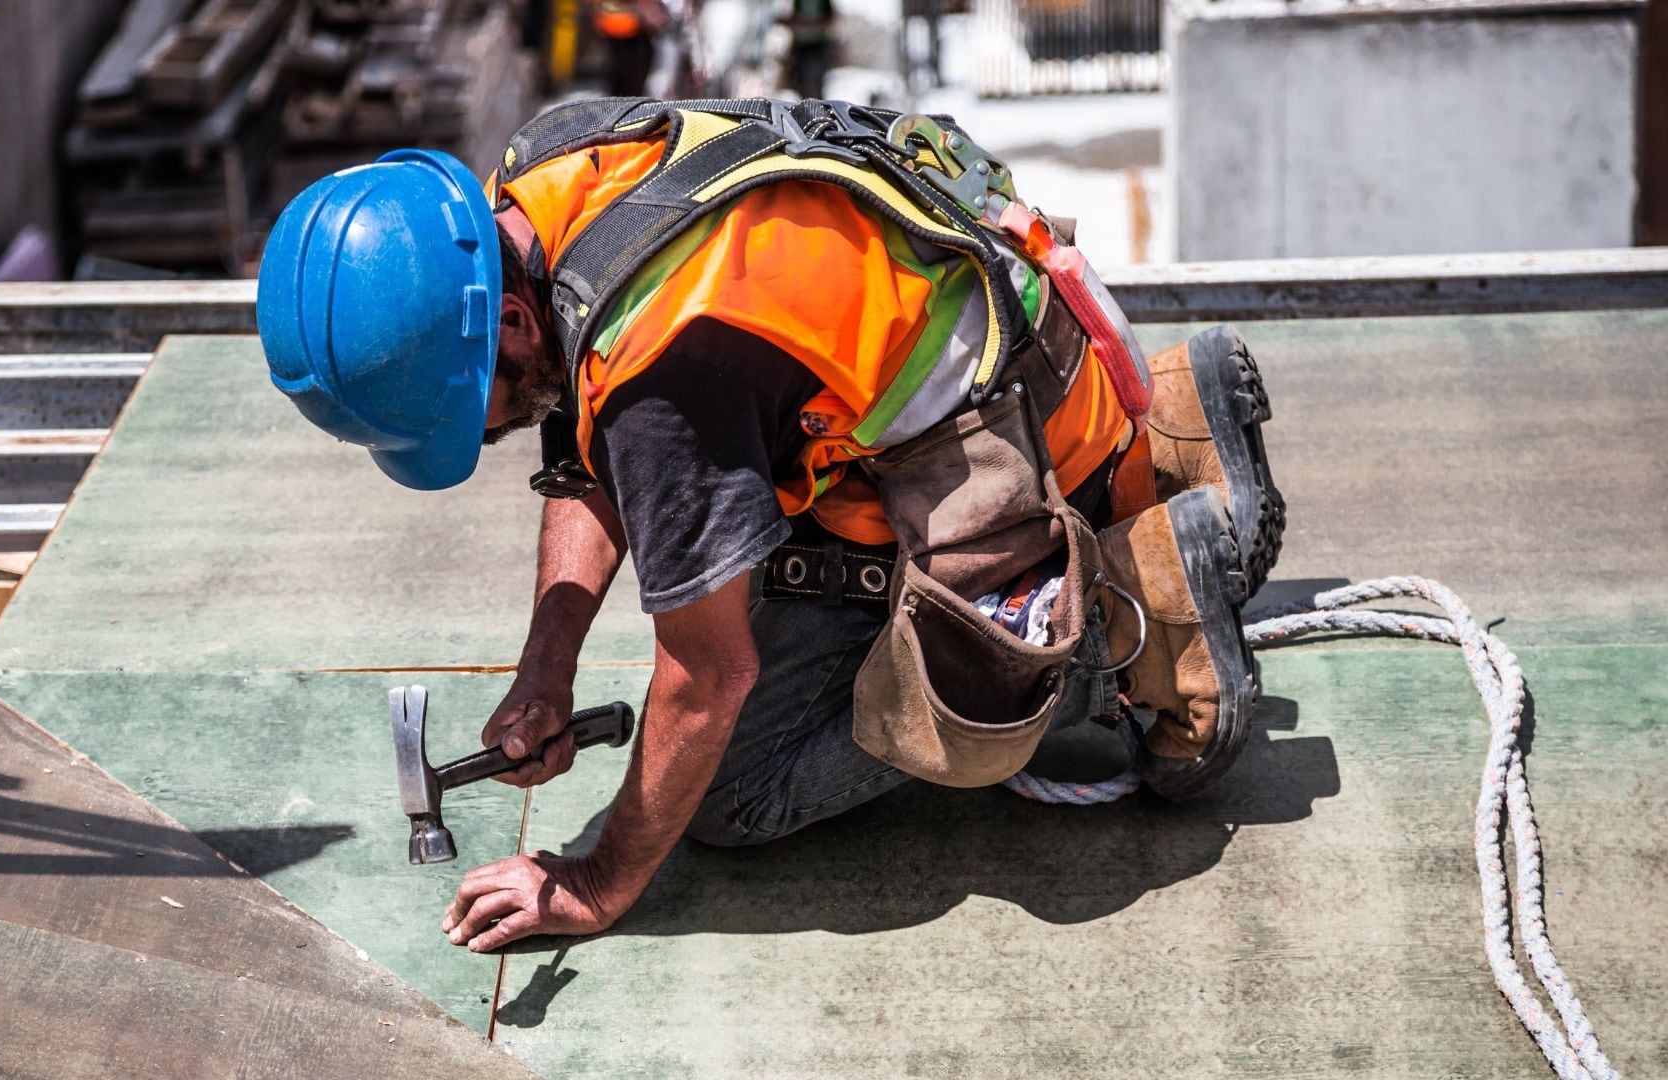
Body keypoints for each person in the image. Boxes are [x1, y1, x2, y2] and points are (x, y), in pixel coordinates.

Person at [255, 97, 1285, 953]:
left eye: (467, 413)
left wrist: (598, 881)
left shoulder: (667, 376)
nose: (479, 440)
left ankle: (1127, 611)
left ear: (512, 322)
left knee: (735, 793)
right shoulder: (548, 173)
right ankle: (1173, 432)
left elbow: (709, 677)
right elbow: (583, 437)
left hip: (1010, 457)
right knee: (726, 561)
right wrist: (547, 666)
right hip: (1018, 351)